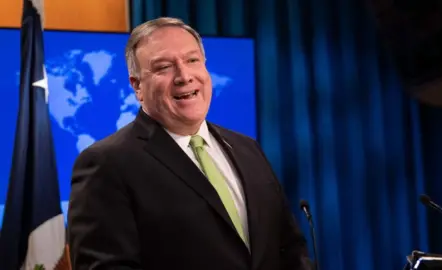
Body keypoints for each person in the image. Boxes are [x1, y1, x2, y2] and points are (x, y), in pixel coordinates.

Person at [67, 16, 312, 270]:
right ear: (137, 86)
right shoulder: (106, 163)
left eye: (192, 60)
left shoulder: (247, 148)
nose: (184, 76)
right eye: (164, 67)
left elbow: (289, 246)